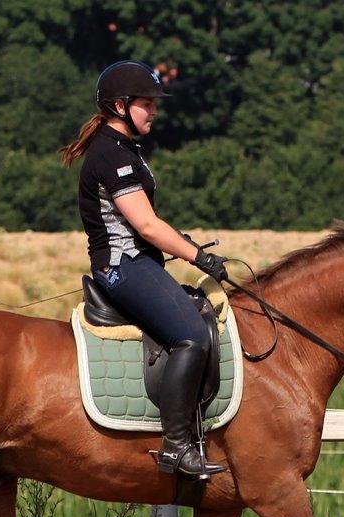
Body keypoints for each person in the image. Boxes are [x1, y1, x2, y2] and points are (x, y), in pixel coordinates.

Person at [59, 60, 228, 478]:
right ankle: (176, 447)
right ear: (120, 106)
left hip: (137, 262)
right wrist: (197, 256)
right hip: (123, 267)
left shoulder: (123, 150)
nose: (154, 112)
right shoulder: (112, 156)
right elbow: (147, 225)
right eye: (147, 105)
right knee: (190, 335)